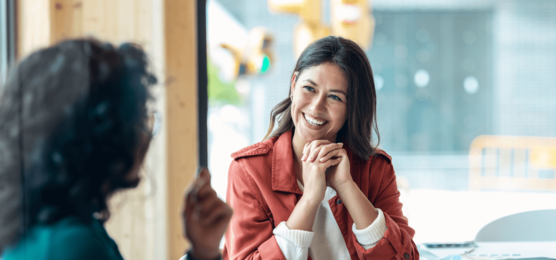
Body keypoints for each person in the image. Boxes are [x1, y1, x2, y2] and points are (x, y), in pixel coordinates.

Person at [0, 39, 232, 260]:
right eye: (140, 120)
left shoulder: (50, 228)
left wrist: (202, 251)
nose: (146, 136)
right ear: (103, 136)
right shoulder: (74, 246)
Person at [223, 36, 419, 260]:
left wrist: (346, 186)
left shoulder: (376, 169)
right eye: (309, 88)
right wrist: (310, 200)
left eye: (335, 97)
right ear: (293, 84)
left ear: (352, 107)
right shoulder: (249, 170)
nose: (317, 107)